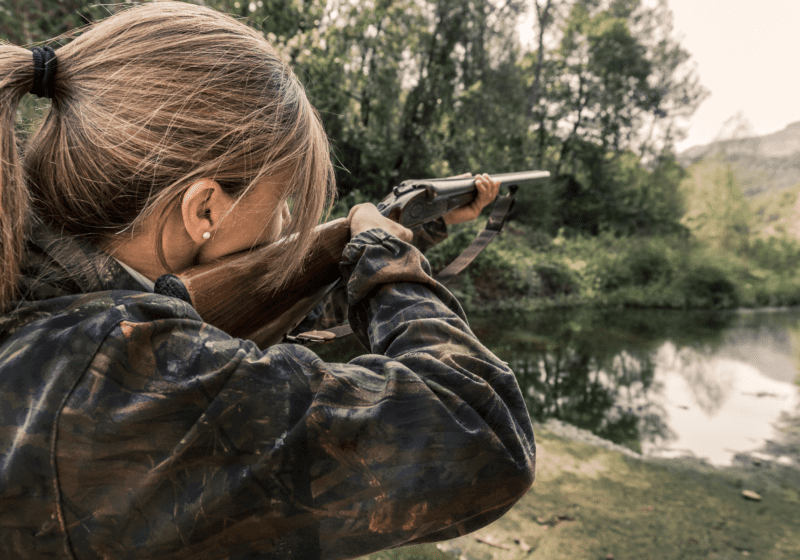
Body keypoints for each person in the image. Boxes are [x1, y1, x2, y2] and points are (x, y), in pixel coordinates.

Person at [0, 3, 535, 559]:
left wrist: (424, 230)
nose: (286, 226)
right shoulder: (126, 373)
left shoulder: (44, 303)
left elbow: (280, 309)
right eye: (282, 201)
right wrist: (384, 251)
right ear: (204, 209)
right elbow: (480, 427)